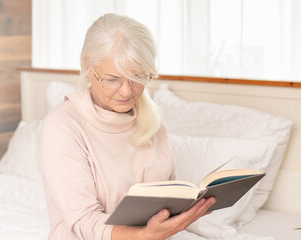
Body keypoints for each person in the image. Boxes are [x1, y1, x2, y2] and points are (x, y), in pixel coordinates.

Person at [37, 13, 216, 240]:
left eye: (137, 77)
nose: (126, 92)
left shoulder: (153, 122)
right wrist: (144, 235)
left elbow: (166, 200)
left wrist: (183, 214)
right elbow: (84, 221)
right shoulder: (63, 125)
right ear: (87, 66)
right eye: (113, 79)